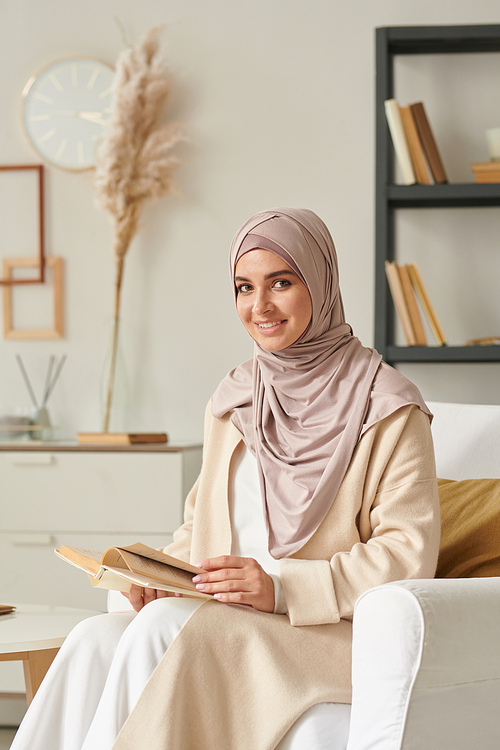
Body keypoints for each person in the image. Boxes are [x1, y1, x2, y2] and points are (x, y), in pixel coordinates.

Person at [11, 208, 440, 750]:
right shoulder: (237, 396)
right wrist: (156, 575)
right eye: (244, 287)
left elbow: (408, 554)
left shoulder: (389, 407)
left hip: (326, 631)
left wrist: (280, 587)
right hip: (226, 615)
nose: (258, 307)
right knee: (93, 639)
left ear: (322, 283)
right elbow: (202, 529)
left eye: (281, 283)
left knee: (161, 629)